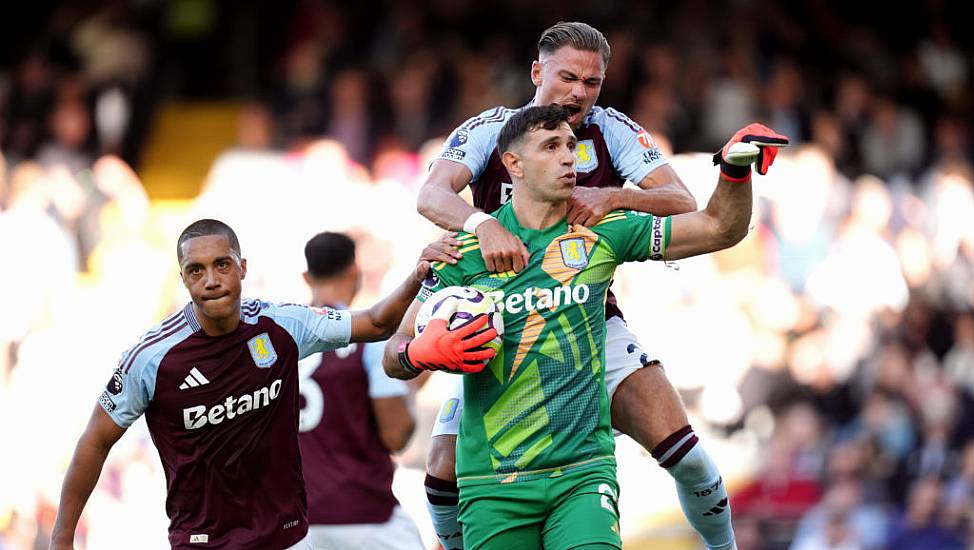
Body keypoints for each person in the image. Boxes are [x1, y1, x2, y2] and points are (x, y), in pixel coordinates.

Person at [386, 105, 788, 549]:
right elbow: (395, 354)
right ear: (512, 164)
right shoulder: (463, 251)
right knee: (438, 473)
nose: (568, 158)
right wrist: (418, 354)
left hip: (582, 476)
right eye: (551, 146)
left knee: (684, 452)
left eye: (572, 147)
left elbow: (718, 228)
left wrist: (733, 171)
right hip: (493, 482)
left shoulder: (602, 231)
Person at [416, 21, 726, 550]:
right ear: (537, 72)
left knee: (685, 450)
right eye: (567, 77)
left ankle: (725, 546)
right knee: (442, 470)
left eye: (592, 82)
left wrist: (614, 196)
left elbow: (683, 201)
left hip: (584, 313)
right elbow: (431, 195)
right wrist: (483, 224)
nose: (579, 92)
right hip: (499, 326)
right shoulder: (495, 129)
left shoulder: (614, 130)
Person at [49, 219, 473, 550]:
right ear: (183, 279)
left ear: (242, 267)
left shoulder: (280, 324)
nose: (211, 279)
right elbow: (95, 440)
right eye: (196, 270)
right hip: (204, 541)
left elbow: (378, 322)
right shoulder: (152, 357)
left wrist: (422, 273)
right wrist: (62, 537)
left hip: (288, 536)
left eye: (221, 265)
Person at [297, 231, 425, 549]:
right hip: (363, 513)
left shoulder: (280, 339)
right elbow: (396, 434)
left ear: (306, 276)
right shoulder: (365, 340)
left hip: (296, 523)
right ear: (355, 272)